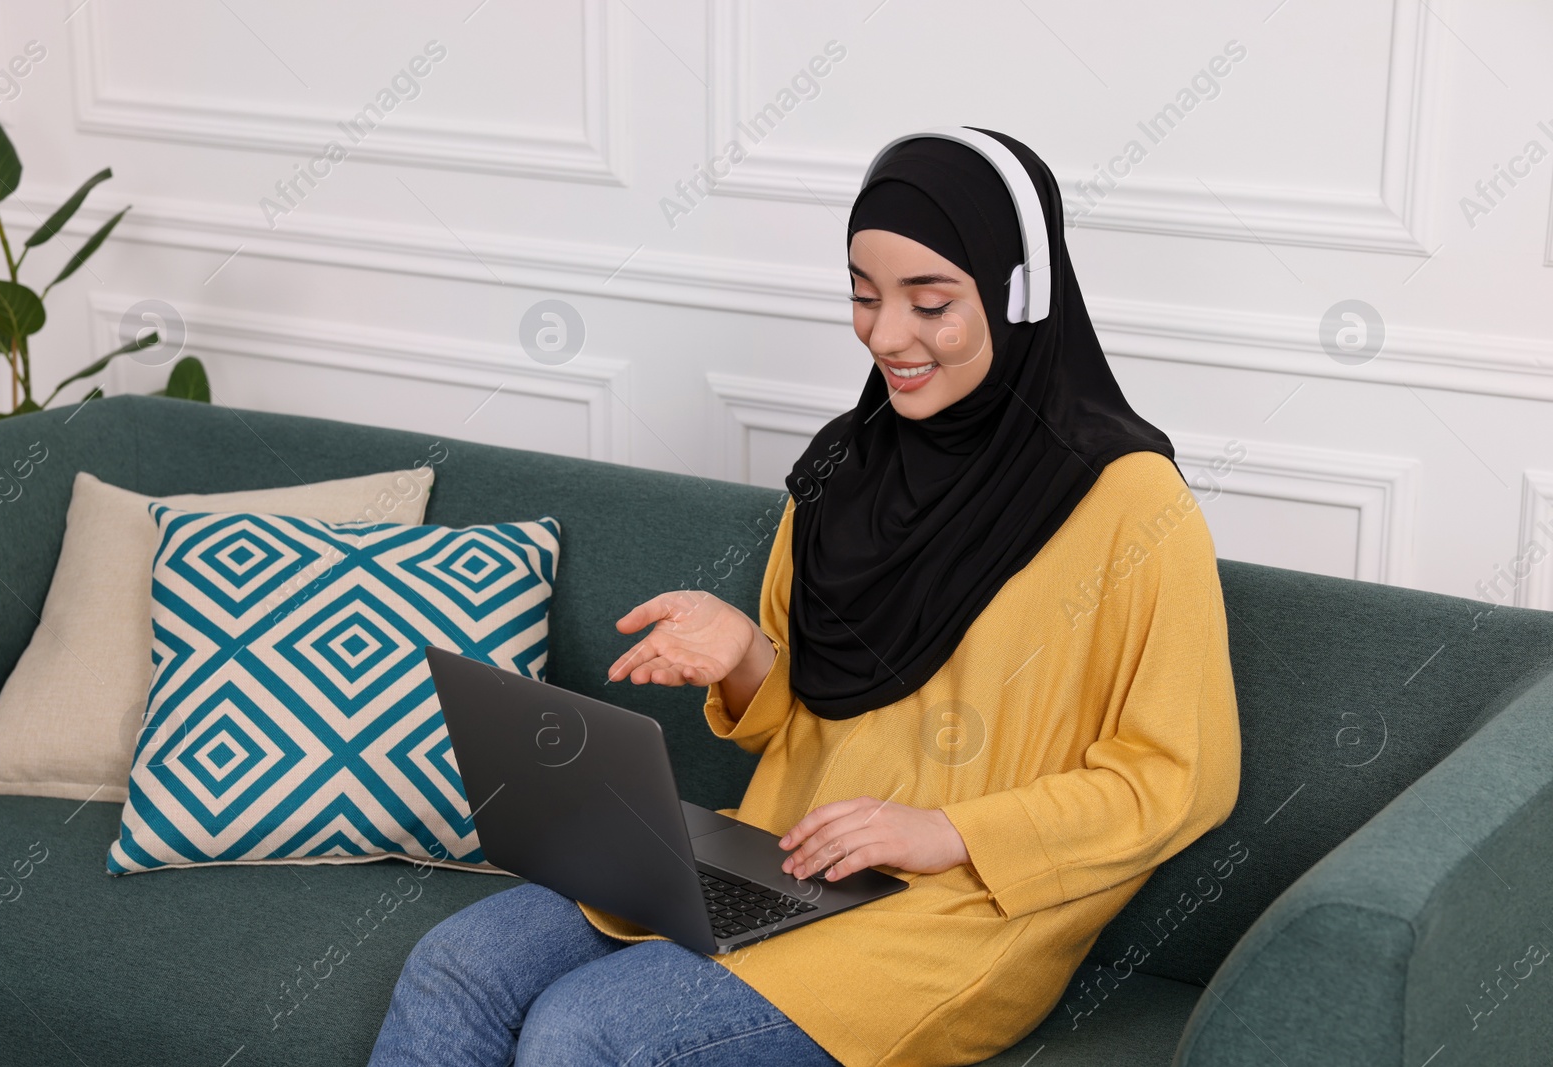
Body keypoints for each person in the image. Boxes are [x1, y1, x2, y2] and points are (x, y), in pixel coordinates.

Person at [367, 127, 1242, 1067]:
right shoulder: (842, 462)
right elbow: (809, 711)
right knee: (454, 963)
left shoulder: (1130, 502)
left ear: (1019, 297)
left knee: (589, 1030)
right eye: (864, 297)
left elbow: (1178, 777)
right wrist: (747, 657)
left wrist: (947, 828)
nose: (887, 335)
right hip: (771, 854)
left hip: (951, 910)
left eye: (932, 303)